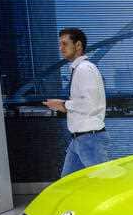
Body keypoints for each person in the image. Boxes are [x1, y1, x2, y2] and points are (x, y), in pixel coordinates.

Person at [43, 28, 109, 177]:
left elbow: (90, 103)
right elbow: (84, 104)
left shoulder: (84, 69)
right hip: (79, 139)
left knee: (105, 184)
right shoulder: (79, 69)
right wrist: (62, 105)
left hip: (90, 140)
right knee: (67, 184)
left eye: (65, 44)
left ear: (78, 45)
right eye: (60, 45)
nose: (61, 48)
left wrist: (65, 104)